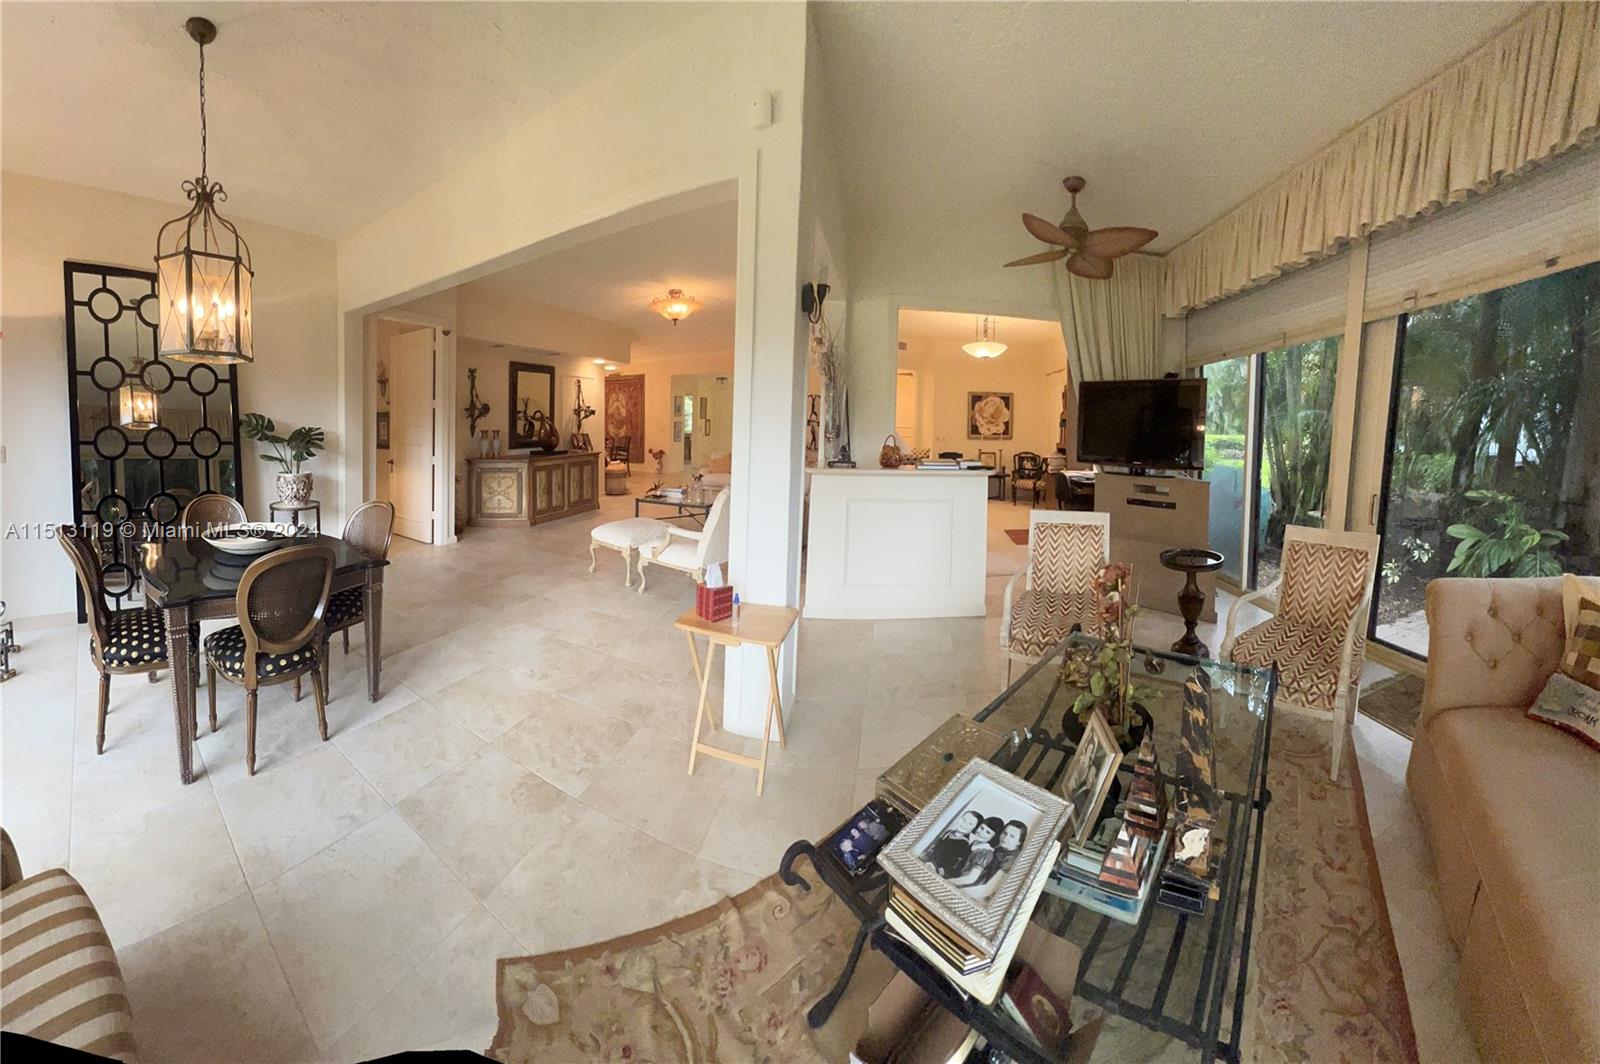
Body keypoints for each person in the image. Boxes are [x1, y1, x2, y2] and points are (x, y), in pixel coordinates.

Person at [947, 817, 1003, 888]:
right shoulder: (974, 843)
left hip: (963, 886)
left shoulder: (985, 852)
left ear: (993, 837)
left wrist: (947, 881)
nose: (982, 833)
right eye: (982, 828)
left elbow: (971, 878)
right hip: (955, 877)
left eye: (988, 833)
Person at [924, 810, 981, 877]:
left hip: (936, 870)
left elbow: (952, 866)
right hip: (928, 861)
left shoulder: (963, 844)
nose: (964, 824)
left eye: (970, 824)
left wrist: (936, 868)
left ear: (974, 829)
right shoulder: (949, 833)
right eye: (964, 820)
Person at [977, 820, 1029, 886]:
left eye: (1012, 836)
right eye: (1005, 833)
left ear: (1019, 842)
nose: (1005, 838)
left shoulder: (1011, 859)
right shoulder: (999, 849)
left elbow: (989, 887)